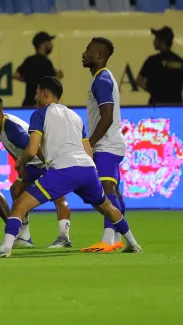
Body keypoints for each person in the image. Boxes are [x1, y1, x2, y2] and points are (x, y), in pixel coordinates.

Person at [0, 77, 142, 258]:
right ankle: (133, 243)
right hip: (88, 169)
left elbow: (33, 149)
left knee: (20, 204)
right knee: (107, 206)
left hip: (64, 169)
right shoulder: (75, 116)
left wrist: (21, 162)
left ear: (45, 94)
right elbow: (87, 148)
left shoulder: (39, 115)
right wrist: (92, 172)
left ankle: (6, 247)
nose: (35, 98)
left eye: (36, 93)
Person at [0, 92, 73, 248]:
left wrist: (49, 167)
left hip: (44, 161)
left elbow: (35, 147)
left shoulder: (11, 127)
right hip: (32, 164)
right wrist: (21, 166)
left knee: (59, 197)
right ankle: (24, 237)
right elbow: (15, 149)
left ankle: (64, 238)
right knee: (16, 190)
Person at [79, 38, 129, 253]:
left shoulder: (102, 80)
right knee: (113, 191)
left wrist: (90, 144)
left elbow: (106, 117)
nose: (84, 53)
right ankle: (117, 237)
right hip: (111, 143)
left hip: (106, 145)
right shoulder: (102, 79)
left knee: (106, 189)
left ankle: (108, 239)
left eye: (88, 50)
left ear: (99, 56)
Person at [15, 32, 63, 108]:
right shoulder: (46, 63)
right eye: (49, 42)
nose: (51, 45)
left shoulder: (29, 60)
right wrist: (58, 76)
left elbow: (16, 75)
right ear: (42, 44)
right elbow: (52, 82)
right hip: (42, 104)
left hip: (28, 103)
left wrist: (29, 79)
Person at [137, 27, 183, 104]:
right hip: (176, 106)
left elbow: (139, 80)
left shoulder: (153, 60)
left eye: (156, 38)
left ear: (162, 41)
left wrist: (153, 92)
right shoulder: (180, 61)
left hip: (156, 105)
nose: (153, 41)